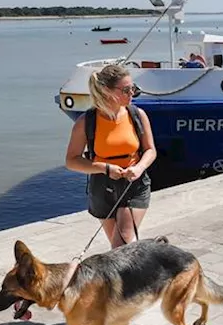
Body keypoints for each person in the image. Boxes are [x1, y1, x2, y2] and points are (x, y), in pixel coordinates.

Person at [65, 64, 156, 248]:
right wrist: (104, 168)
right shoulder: (86, 122)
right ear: (107, 91)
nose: (132, 93)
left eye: (133, 88)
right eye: (126, 89)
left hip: (134, 184)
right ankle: (139, 272)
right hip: (102, 187)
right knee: (119, 249)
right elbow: (71, 160)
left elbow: (150, 150)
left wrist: (138, 168)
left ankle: (138, 272)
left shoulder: (138, 115)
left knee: (122, 241)